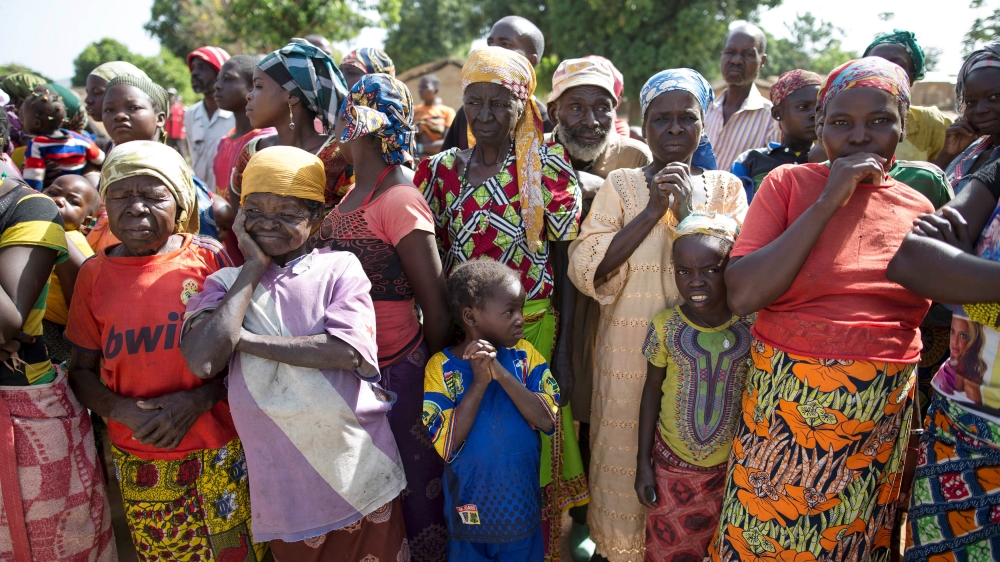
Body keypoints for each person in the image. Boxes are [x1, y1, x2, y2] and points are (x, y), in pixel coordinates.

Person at [706, 57, 932, 561]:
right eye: (840, 123)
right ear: (821, 126)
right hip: (785, 401)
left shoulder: (919, 207)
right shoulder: (788, 184)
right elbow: (743, 294)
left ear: (903, 124)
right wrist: (830, 198)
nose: (859, 137)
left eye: (879, 121)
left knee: (848, 539)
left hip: (876, 406)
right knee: (763, 537)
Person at [180, 145, 408, 562]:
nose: (269, 224)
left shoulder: (339, 267)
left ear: (317, 219)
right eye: (256, 210)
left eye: (287, 213)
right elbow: (204, 360)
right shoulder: (224, 283)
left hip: (356, 465)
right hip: (285, 485)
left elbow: (344, 351)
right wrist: (252, 268)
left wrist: (244, 341)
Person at [568, 68, 748, 562]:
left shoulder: (727, 190)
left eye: (685, 118)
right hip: (626, 361)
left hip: (706, 368)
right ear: (644, 128)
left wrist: (687, 212)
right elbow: (587, 269)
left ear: (702, 126)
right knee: (625, 473)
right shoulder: (622, 186)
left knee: (696, 482)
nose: (673, 129)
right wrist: (651, 211)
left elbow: (743, 276)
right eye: (661, 119)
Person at [416, 46, 586, 560]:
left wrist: (565, 353)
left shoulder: (548, 170)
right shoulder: (440, 171)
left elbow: (567, 269)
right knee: (475, 452)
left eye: (499, 103)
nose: (485, 115)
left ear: (523, 107)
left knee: (532, 453)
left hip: (528, 330)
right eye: (474, 102)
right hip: (465, 336)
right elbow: (434, 258)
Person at [64, 141, 270, 561]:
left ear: (179, 203)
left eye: (152, 195)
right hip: (141, 455)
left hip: (219, 446)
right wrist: (119, 410)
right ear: (105, 203)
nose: (136, 207)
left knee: (236, 550)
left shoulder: (208, 259)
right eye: (121, 194)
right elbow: (82, 370)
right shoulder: (92, 275)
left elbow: (248, 353)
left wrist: (199, 399)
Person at [309, 73, 451, 560]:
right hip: (353, 371)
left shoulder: (400, 200)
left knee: (416, 492)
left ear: (358, 128)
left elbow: (434, 304)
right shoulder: (350, 196)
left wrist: (433, 373)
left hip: (400, 372)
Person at [544, 55, 653, 559]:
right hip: (557, 310)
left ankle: (595, 527)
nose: (589, 120)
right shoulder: (537, 157)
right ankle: (567, 526)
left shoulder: (636, 158)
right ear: (554, 111)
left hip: (617, 309)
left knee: (606, 416)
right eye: (575, 107)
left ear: (617, 111)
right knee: (567, 414)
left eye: (601, 108)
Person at [0, 159, 116, 561]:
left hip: (54, 353)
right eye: (57, 193)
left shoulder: (34, 215)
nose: (61, 202)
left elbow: (13, 324)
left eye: (73, 200)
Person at [886, 159, 1000, 560]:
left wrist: (965, 269)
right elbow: (912, 260)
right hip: (963, 432)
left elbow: (940, 267)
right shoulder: (996, 173)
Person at [635, 212, 754, 562]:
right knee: (665, 551)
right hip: (670, 469)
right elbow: (650, 394)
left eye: (710, 270)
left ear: (731, 268)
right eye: (683, 272)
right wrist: (644, 462)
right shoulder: (666, 326)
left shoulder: (752, 326)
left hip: (731, 472)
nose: (695, 282)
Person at [423, 259, 560, 562]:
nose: (521, 319)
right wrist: (480, 383)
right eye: (509, 311)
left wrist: (500, 372)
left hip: (521, 515)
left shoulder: (526, 357)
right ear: (471, 316)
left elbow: (548, 420)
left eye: (521, 309)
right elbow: (446, 444)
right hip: (469, 519)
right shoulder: (441, 368)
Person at [234, 38, 351, 225]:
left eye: (258, 86)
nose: (249, 95)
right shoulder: (251, 153)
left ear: (292, 95)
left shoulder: (339, 155)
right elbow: (239, 223)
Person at [441, 16, 550, 152]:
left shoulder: (544, 121)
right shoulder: (467, 113)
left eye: (505, 44)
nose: (492, 51)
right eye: (490, 43)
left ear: (530, 61)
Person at [730, 69, 821, 203]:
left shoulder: (830, 161)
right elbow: (733, 212)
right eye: (803, 107)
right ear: (777, 113)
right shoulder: (749, 161)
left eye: (819, 108)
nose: (815, 115)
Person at [864, 30, 953, 165]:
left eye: (895, 65)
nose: (883, 70)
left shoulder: (931, 123)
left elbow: (944, 177)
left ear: (911, 76)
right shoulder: (839, 117)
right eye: (874, 63)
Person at [705, 23, 782, 171]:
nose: (736, 60)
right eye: (730, 52)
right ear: (722, 55)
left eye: (747, 54)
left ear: (762, 61)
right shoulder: (703, 109)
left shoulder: (772, 119)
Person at [40, 175, 98, 364]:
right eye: (53, 193)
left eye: (72, 201)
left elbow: (79, 291)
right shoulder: (40, 229)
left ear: (85, 222)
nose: (58, 200)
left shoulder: (72, 240)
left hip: (54, 327)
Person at [211, 55, 276, 199]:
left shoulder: (266, 142)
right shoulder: (224, 140)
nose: (217, 85)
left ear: (253, 87)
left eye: (228, 79)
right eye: (218, 79)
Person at [939, 43, 1000, 195]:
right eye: (971, 102)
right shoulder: (973, 150)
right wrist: (947, 155)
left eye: (995, 97)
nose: (980, 110)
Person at [20, 85, 105, 190]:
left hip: (54, 190)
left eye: (23, 117)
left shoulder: (36, 145)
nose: (21, 120)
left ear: (37, 123)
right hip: (80, 188)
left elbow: (34, 179)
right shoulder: (79, 138)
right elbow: (100, 159)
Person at [185, 46, 235, 190]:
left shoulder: (238, 114)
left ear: (220, 72)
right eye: (193, 67)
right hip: (203, 199)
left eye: (201, 67)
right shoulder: (191, 115)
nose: (194, 73)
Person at [413, 74, 456, 158]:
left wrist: (419, 148)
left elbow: (447, 142)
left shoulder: (447, 112)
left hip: (439, 160)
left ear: (435, 90)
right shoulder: (414, 111)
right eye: (419, 87)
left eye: (424, 87)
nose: (420, 90)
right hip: (416, 161)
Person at [164, 87, 187, 157]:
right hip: (169, 133)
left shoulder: (181, 107)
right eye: (169, 95)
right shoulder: (166, 107)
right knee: (168, 151)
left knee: (181, 151)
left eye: (172, 95)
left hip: (179, 133)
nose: (171, 98)